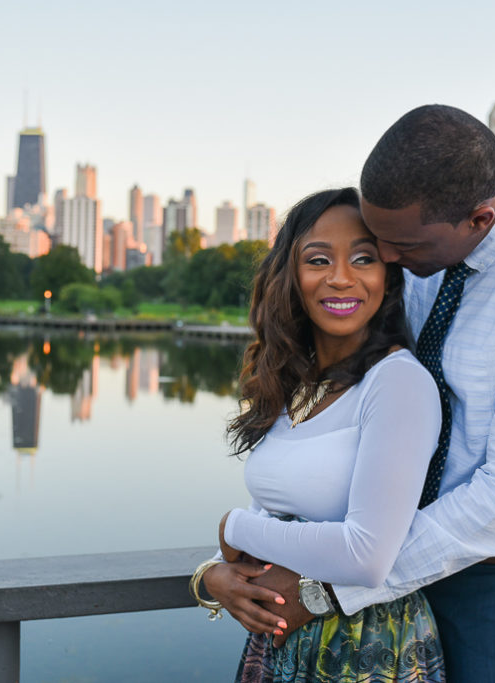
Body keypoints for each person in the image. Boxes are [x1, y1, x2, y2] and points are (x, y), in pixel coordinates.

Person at [209, 105, 495, 682]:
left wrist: (325, 589)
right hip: (401, 583)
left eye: (397, 247)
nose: (386, 260)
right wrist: (224, 566)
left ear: (480, 218)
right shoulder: (426, 247)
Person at [194, 187, 447, 682]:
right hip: (283, 637)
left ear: (388, 277)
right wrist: (214, 572)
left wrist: (234, 529)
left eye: (363, 259)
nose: (340, 278)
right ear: (290, 275)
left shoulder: (397, 382)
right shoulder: (299, 382)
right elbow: (287, 511)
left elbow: (367, 556)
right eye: (317, 259)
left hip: (364, 644)